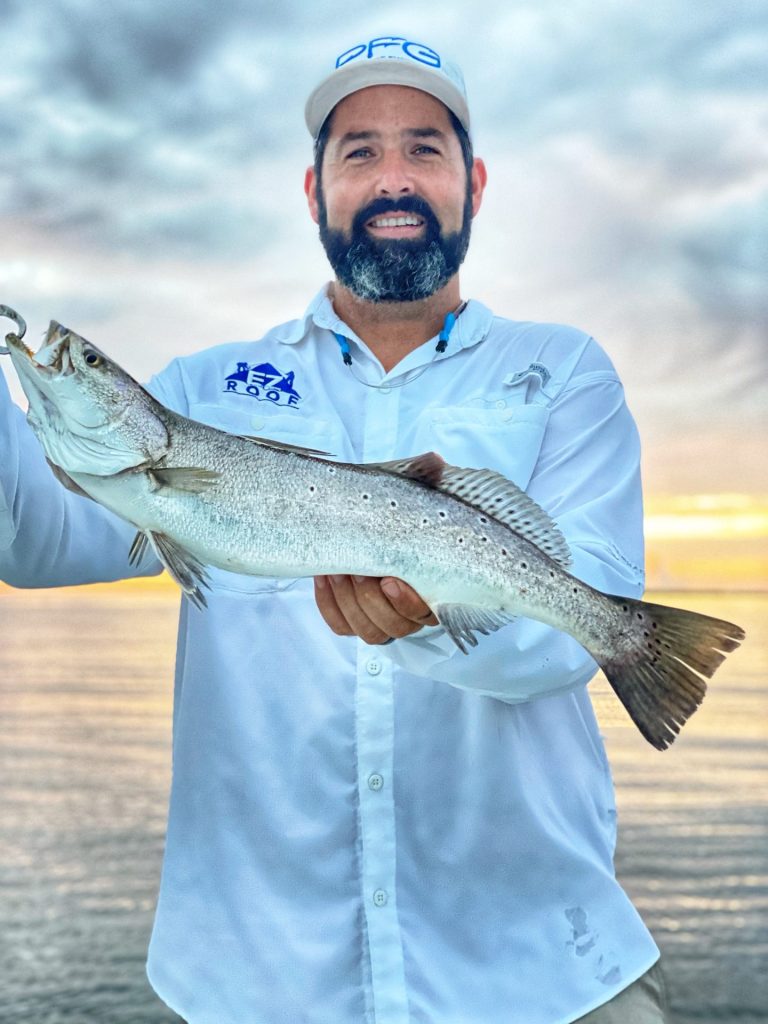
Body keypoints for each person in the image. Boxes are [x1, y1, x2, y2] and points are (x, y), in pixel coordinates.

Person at [0, 34, 669, 1024]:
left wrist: (430, 618)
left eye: (424, 148)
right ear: (313, 192)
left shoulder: (565, 371)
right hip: (255, 981)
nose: (391, 177)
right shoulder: (200, 390)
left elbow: (578, 617)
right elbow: (33, 537)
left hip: (543, 977)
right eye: (358, 151)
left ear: (473, 181)